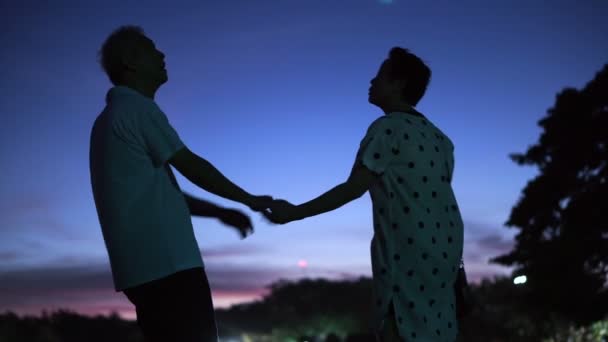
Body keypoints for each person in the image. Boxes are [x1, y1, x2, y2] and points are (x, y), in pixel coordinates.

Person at [264, 47, 464, 342]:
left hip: (407, 250)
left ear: (398, 83)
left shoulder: (387, 129)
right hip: (445, 250)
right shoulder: (441, 139)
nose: (371, 82)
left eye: (380, 76)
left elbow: (353, 188)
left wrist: (295, 212)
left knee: (400, 327)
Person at [89, 25, 273, 342]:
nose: (161, 54)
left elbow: (158, 194)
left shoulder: (112, 117)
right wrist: (250, 199)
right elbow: (190, 165)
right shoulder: (137, 108)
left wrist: (219, 212)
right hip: (169, 265)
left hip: (145, 269)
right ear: (131, 61)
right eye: (151, 49)